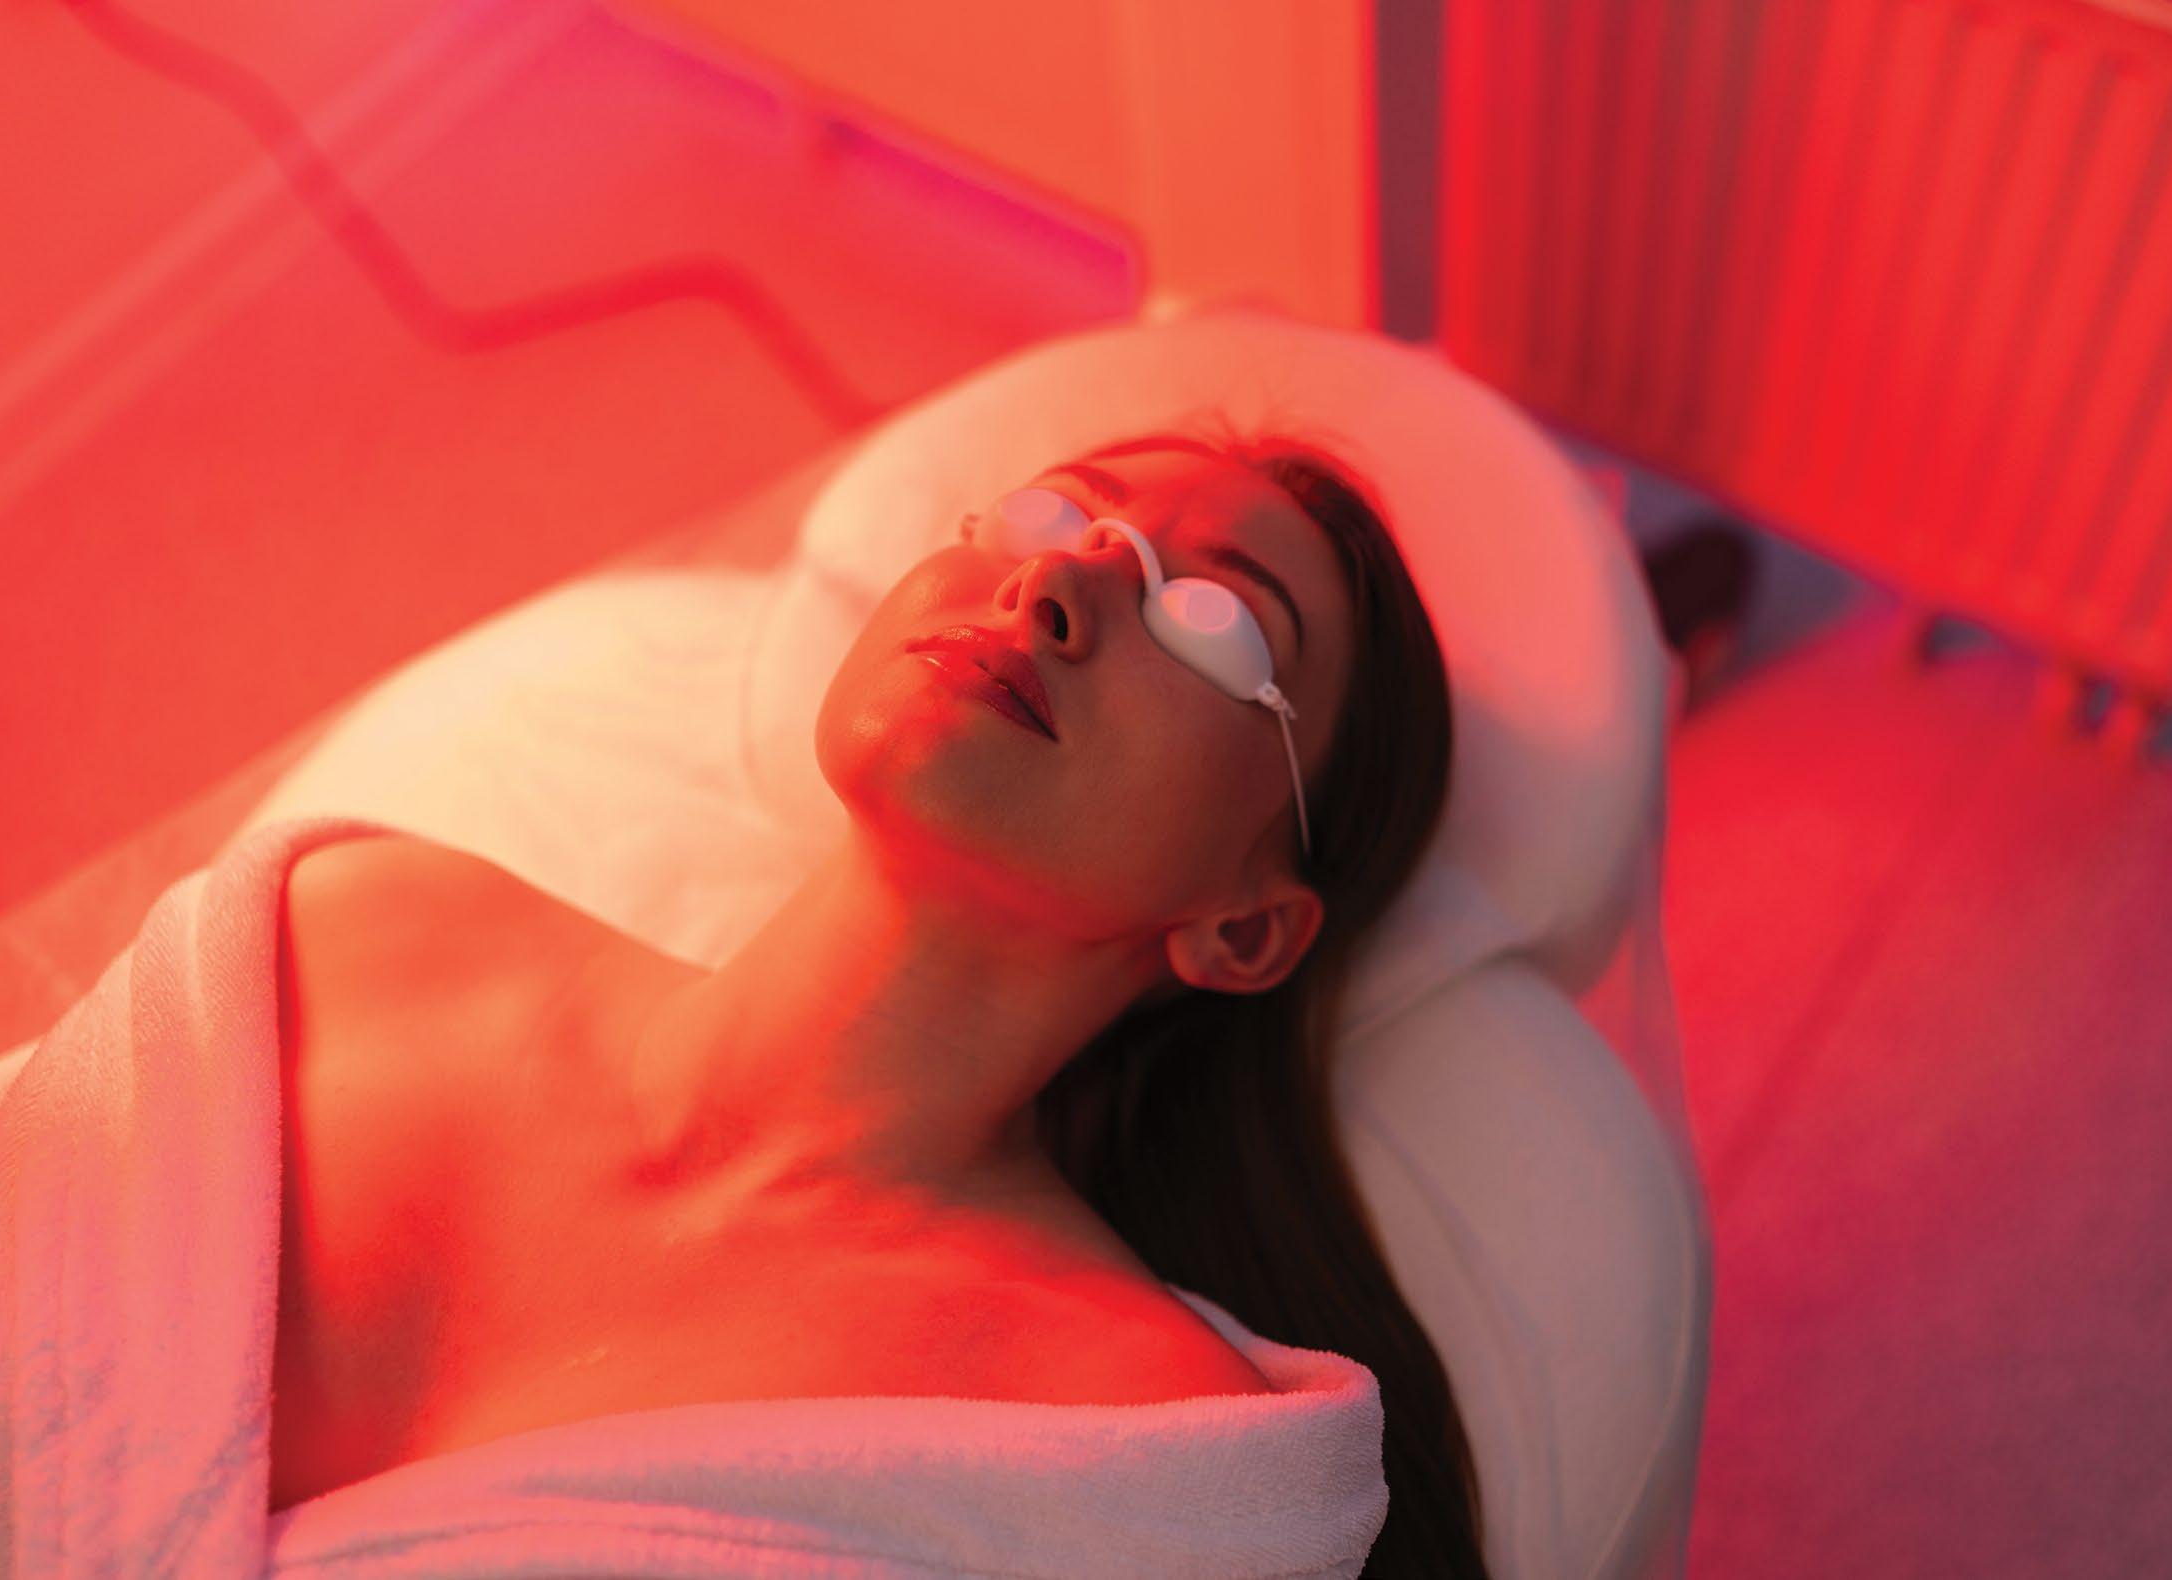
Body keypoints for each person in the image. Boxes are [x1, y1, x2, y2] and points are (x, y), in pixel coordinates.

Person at [268, 419, 1490, 1576]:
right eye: (1049, 513)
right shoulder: (357, 924)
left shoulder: (1137, 1443)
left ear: (1243, 926)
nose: (1059, 579)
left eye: (1212, 620)